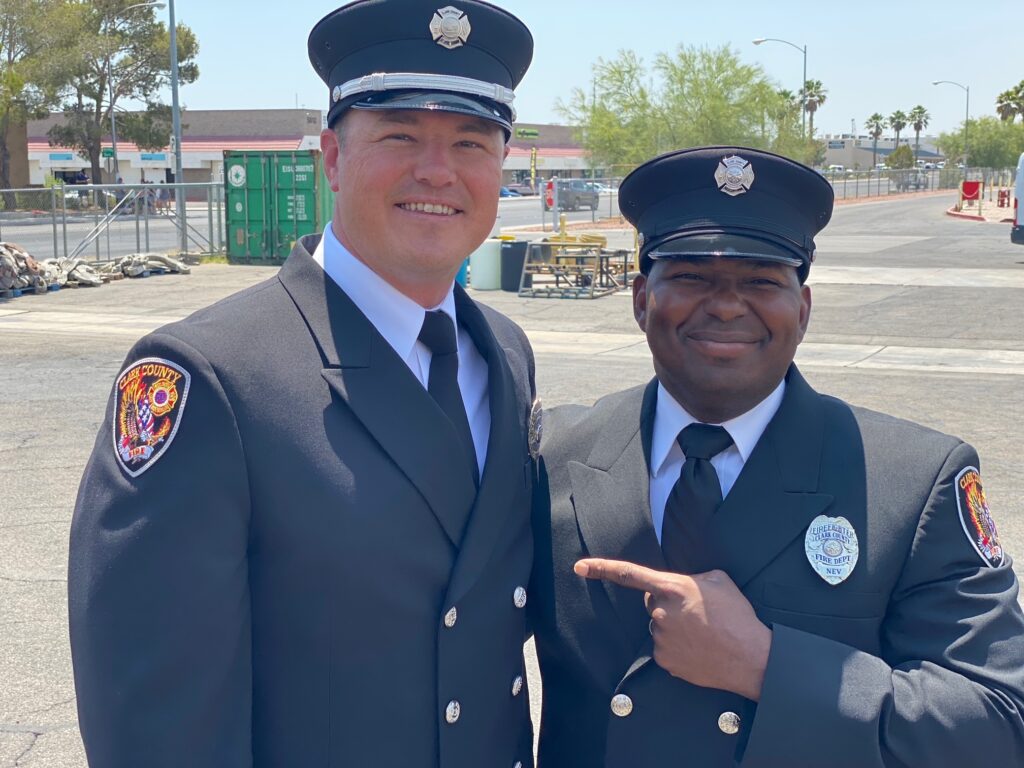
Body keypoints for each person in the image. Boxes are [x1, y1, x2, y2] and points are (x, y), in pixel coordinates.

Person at [69, 2, 538, 766]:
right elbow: (156, 728)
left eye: (470, 141)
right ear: (331, 157)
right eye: (399, 136)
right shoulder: (211, 378)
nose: (437, 170)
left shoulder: (506, 355)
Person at [530, 146, 1024, 767]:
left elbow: (998, 722)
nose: (728, 305)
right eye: (690, 276)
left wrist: (768, 666)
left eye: (762, 280)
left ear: (804, 309)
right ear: (639, 299)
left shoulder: (913, 481)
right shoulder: (555, 454)